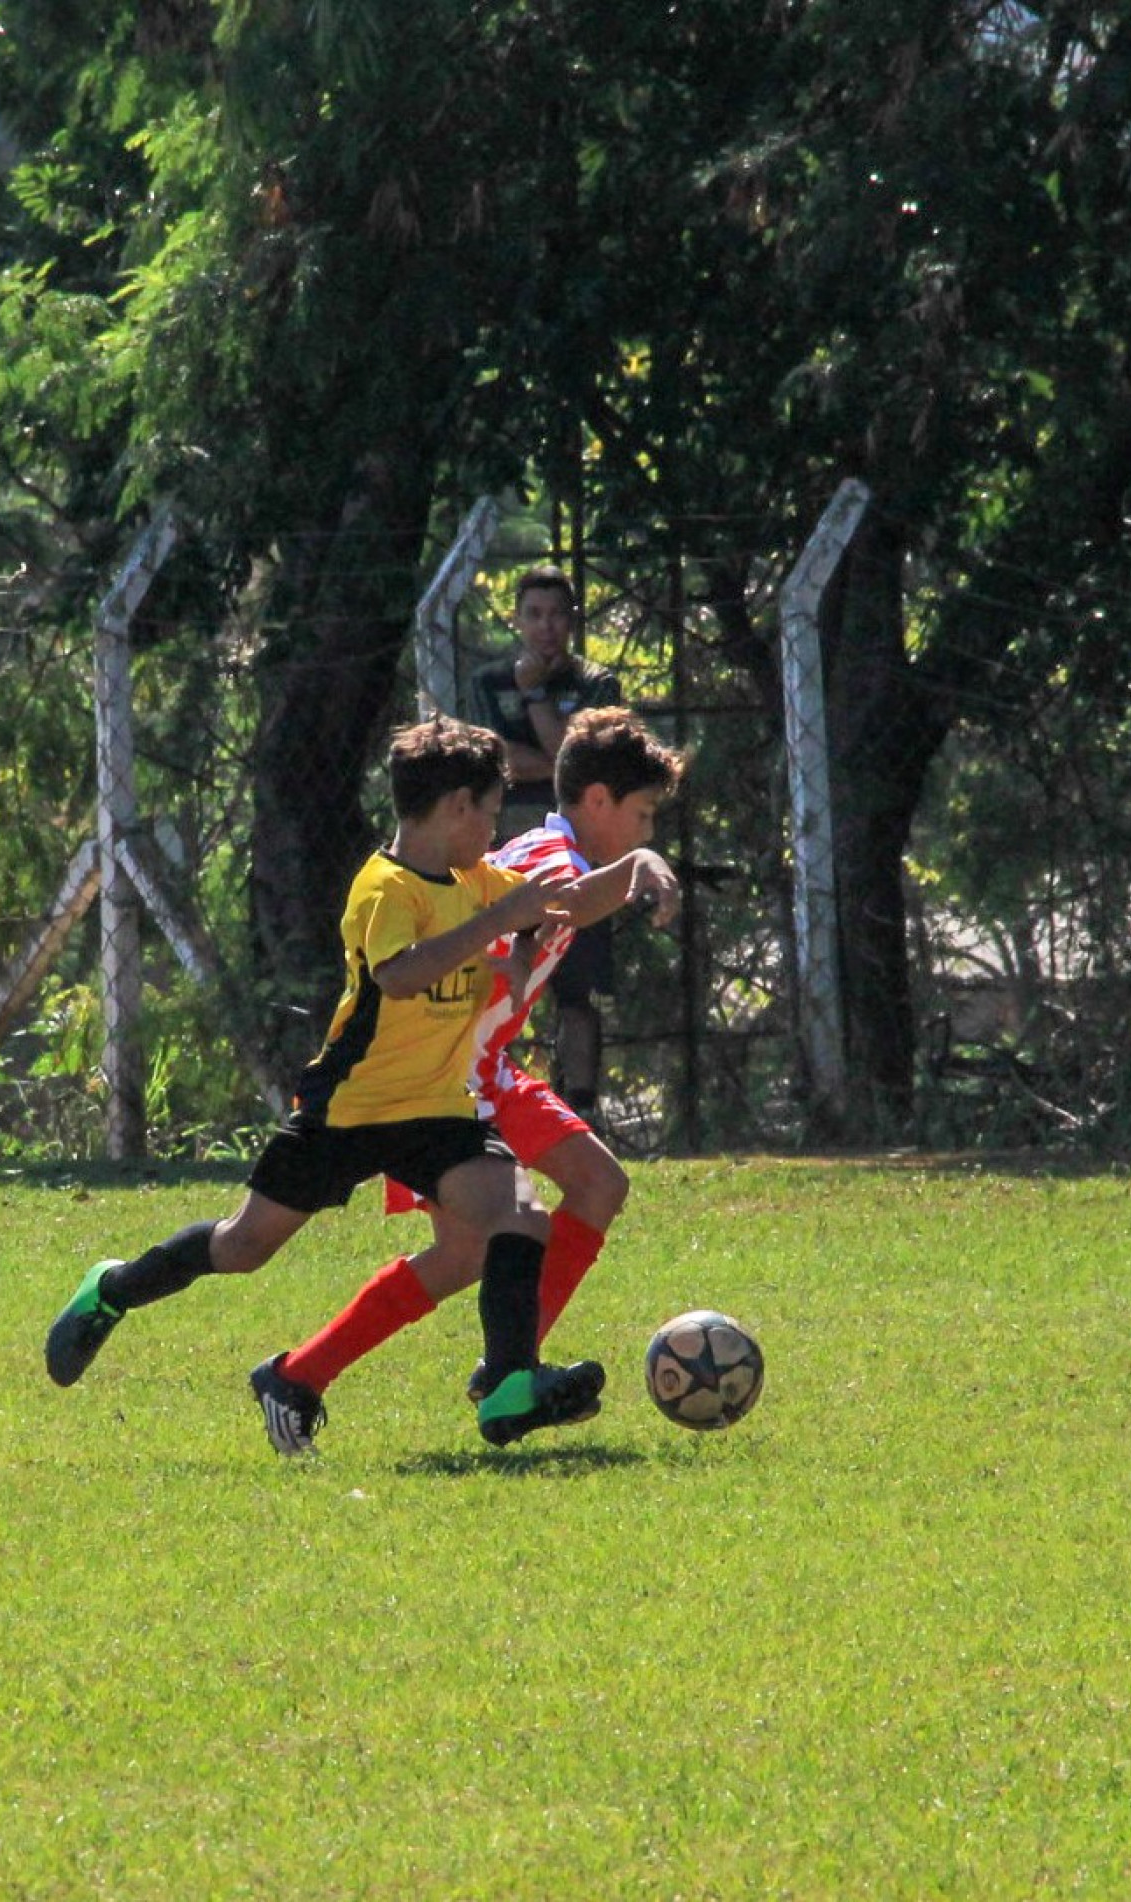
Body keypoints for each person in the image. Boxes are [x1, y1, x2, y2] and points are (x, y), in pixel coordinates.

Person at [39, 717, 668, 1451]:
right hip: (349, 1110)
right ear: (457, 808)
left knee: (520, 1216)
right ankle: (111, 1291)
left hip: (436, 1111)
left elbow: (559, 903)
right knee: (244, 1246)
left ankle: (507, 1387)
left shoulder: (474, 878)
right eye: (492, 813)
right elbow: (400, 976)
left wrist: (635, 873)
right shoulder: (384, 888)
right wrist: (498, 920)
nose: (497, 831)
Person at [248, 709, 685, 1449]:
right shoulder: (555, 859)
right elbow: (554, 904)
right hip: (451, 1077)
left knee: (580, 1194)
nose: (643, 833)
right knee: (476, 1248)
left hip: (490, 1067)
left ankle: (497, 1367)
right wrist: (642, 869)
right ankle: (344, 1376)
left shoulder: (550, 852)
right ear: (599, 801)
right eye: (641, 816)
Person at [464, 565, 622, 1114]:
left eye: (556, 614)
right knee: (501, 976)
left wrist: (534, 702)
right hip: (507, 857)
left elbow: (577, 770)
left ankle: (581, 1105)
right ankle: (489, 1096)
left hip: (577, 860)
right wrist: (550, 755)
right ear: (518, 620)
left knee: (577, 993)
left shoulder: (597, 685)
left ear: (573, 621)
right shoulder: (488, 682)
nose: (546, 627)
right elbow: (496, 763)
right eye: (534, 614)